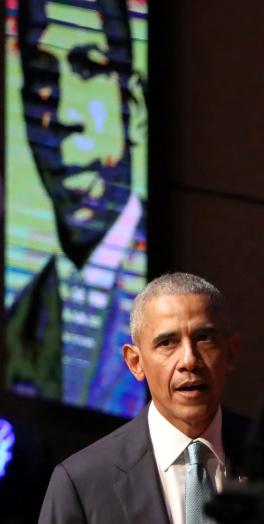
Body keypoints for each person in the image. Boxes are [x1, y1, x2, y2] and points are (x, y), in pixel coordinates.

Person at [38, 272, 264, 524]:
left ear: (231, 352)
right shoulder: (82, 482)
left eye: (204, 339)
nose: (189, 360)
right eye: (167, 343)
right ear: (135, 362)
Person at [6, 0, 148, 416]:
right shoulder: (18, 324)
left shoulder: (187, 296)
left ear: (135, 107)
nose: (64, 111)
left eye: (88, 68)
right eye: (42, 76)